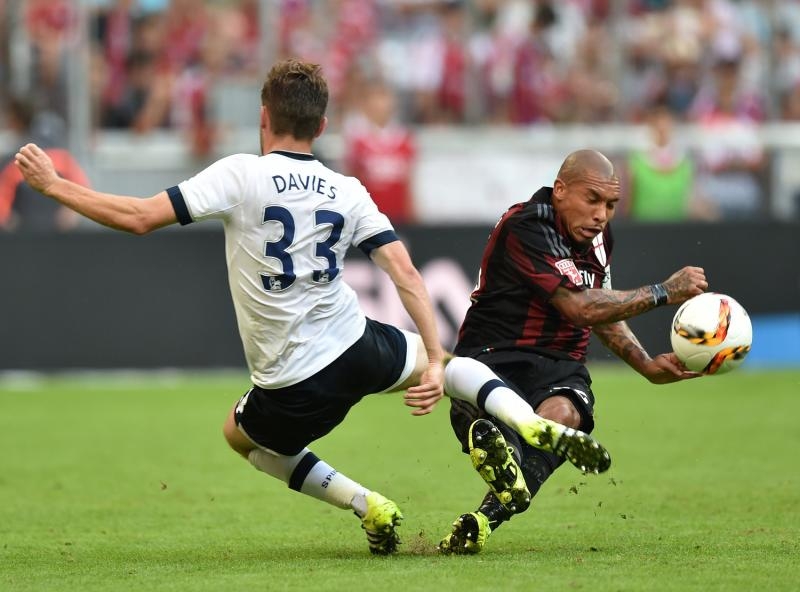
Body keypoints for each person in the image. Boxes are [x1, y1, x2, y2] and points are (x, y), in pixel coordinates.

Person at [14, 59, 610, 555]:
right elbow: (404, 273)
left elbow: (140, 218)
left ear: (264, 117)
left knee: (240, 436)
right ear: (322, 125)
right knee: (456, 368)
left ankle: (367, 505)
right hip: (358, 344)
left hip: (292, 378)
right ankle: (529, 422)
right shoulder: (346, 188)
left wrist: (54, 186)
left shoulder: (241, 175)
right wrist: (432, 357)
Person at [438, 149, 708, 555]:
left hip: (559, 364)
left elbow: (603, 309)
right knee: (513, 430)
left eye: (611, 205)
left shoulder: (599, 239)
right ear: (561, 190)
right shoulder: (527, 225)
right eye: (593, 199)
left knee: (566, 414)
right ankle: (502, 451)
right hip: (494, 358)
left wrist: (646, 364)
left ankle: (486, 512)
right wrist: (663, 291)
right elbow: (579, 307)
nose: (601, 215)